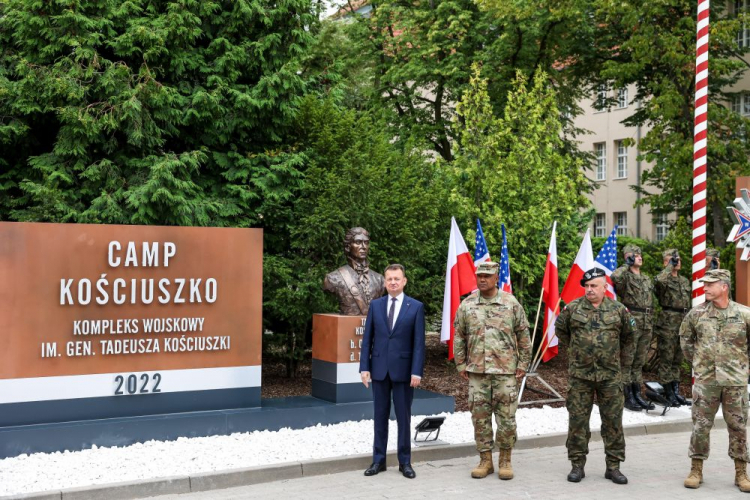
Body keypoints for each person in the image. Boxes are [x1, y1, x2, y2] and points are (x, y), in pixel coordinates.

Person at [555, 267, 635, 485]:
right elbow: (561, 330)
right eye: (587, 286)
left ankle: (614, 467)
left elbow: (629, 338)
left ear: (604, 287)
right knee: (578, 422)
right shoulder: (572, 308)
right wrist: (577, 352)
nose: (589, 290)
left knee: (613, 423)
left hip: (610, 376)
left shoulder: (618, 310)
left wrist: (624, 367)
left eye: (594, 286)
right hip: (580, 376)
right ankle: (577, 465)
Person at [453, 261, 531, 481]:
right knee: (480, 417)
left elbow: (523, 335)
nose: (483, 279)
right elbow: (459, 335)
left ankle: (505, 459)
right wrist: (460, 363)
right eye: (480, 276)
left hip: (505, 372)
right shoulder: (467, 305)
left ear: (497, 277)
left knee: (506, 418)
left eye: (488, 276)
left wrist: (523, 364)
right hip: (477, 372)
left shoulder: (510, 303)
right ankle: (485, 460)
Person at [679, 269, 750, 492]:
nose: (705, 287)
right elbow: (685, 340)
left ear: (724, 287)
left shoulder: (744, 314)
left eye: (710, 284)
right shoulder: (697, 314)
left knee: (738, 427)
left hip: (735, 382)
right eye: (705, 284)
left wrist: (742, 367)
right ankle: (696, 469)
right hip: (706, 381)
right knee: (701, 426)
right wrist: (700, 364)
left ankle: (741, 473)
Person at [359, 264, 425, 479]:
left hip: (405, 373)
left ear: (404, 281)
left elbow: (418, 344)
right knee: (379, 417)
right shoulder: (375, 306)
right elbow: (367, 339)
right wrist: (364, 367)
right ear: (385, 282)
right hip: (378, 371)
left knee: (404, 418)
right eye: (389, 279)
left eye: (397, 279)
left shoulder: (415, 307)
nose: (393, 282)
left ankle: (405, 462)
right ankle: (378, 461)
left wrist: (417, 371)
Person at [611, 243, 655, 411]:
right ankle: (626, 395)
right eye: (635, 255)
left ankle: (637, 394)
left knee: (639, 361)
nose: (640, 257)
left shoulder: (645, 278)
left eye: (640, 255)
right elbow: (614, 277)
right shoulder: (625, 277)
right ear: (628, 257)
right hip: (632, 321)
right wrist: (626, 265)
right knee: (627, 361)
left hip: (647, 321)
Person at [653, 249, 691, 407]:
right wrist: (669, 267)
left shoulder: (684, 281)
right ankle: (667, 391)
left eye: (678, 259)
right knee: (667, 358)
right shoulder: (664, 279)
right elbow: (658, 281)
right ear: (665, 263)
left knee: (677, 358)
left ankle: (675, 390)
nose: (677, 261)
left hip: (683, 320)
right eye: (672, 259)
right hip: (668, 320)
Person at [324, 227, 385, 315]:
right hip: (347, 326)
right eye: (358, 242)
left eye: (366, 243)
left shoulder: (379, 279)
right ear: (348, 247)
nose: (363, 247)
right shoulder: (333, 278)